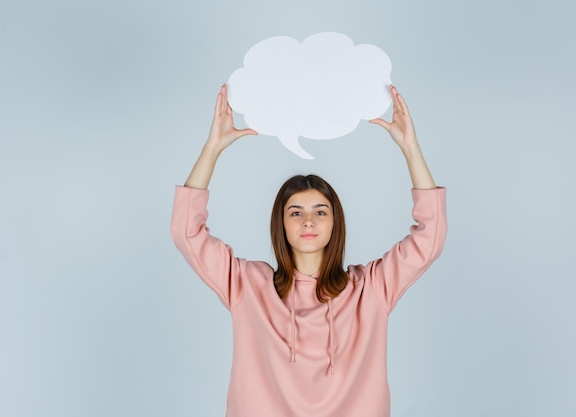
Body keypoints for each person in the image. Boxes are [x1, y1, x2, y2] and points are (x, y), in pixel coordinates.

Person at [171, 84, 447, 417]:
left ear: (334, 223)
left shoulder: (371, 288)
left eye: (320, 211)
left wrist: (410, 148)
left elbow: (430, 236)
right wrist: (212, 148)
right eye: (296, 212)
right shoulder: (247, 284)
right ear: (281, 224)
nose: (308, 221)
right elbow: (187, 232)